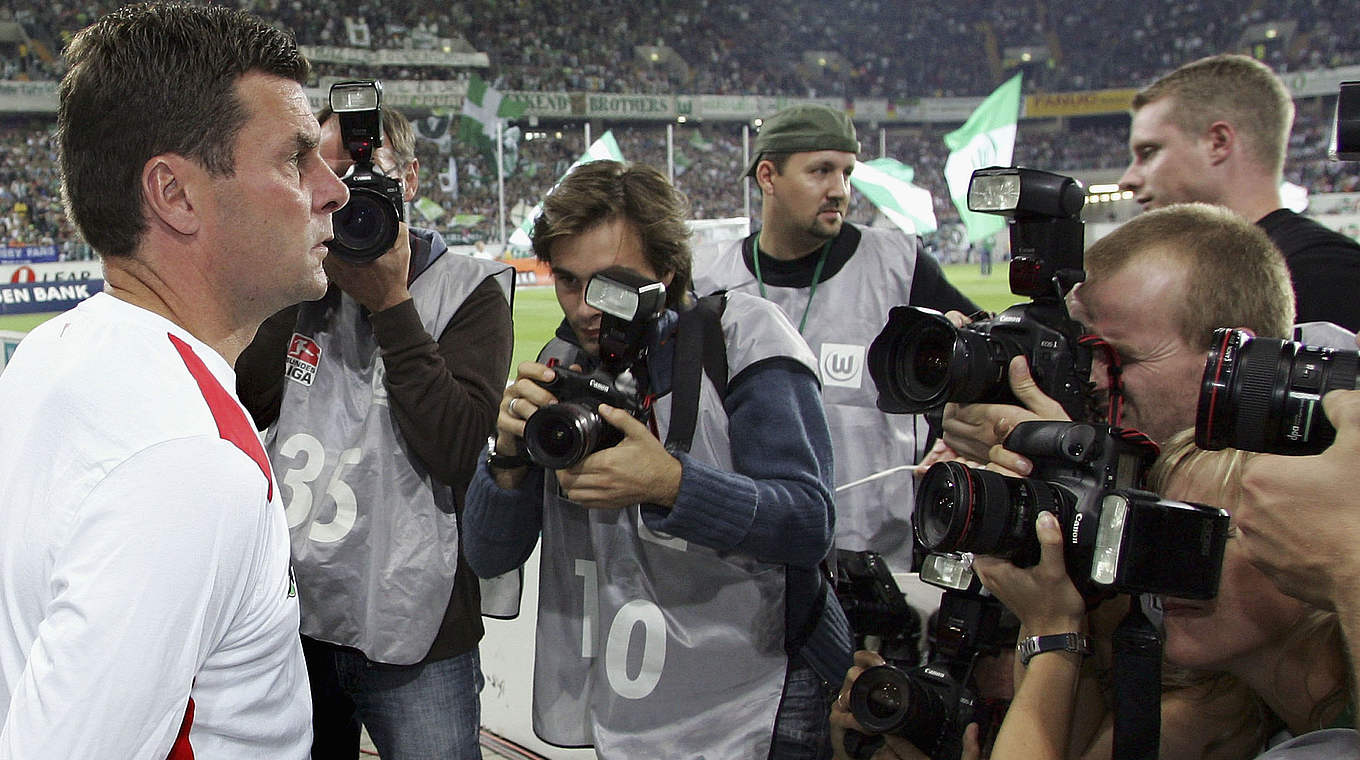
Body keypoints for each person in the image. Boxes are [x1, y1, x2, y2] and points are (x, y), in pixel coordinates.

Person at [0, 4, 348, 757]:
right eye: (295, 158)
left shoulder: (53, 348)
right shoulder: (187, 460)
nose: (334, 191)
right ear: (177, 195)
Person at [462, 159, 850, 759]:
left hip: (757, 694)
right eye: (568, 280)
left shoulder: (741, 340)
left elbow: (807, 522)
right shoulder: (564, 361)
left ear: (666, 271)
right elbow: (489, 554)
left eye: (610, 283)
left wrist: (672, 485)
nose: (587, 308)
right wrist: (508, 459)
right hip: (630, 697)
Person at [235, 102, 513, 758]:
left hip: (417, 624)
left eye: (371, 175)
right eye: (328, 177)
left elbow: (454, 448)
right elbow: (249, 402)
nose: (346, 195)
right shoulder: (299, 282)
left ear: (409, 180)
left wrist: (391, 303)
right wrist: (292, 279)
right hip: (296, 613)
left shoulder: (468, 290)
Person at [832, 433, 1358, 759]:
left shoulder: (1334, 747)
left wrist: (1052, 634)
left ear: (1313, 545)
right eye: (1147, 529)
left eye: (1196, 535)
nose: (1155, 564)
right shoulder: (1240, 712)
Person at [692, 103, 978, 572]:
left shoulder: (899, 267)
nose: (839, 190)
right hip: (747, 555)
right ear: (768, 176)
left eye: (846, 172)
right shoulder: (709, 280)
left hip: (879, 555)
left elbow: (980, 356)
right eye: (820, 171)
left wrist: (956, 432)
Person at [943, 203, 1297, 471]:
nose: (1089, 377)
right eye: (1079, 350)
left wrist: (1069, 468)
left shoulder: (1288, 521)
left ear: (1229, 364)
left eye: (1119, 357)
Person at [1117, 53, 1360, 331]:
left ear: (1218, 143)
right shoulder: (1209, 272)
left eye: (1148, 152)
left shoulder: (1323, 272)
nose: (1128, 179)